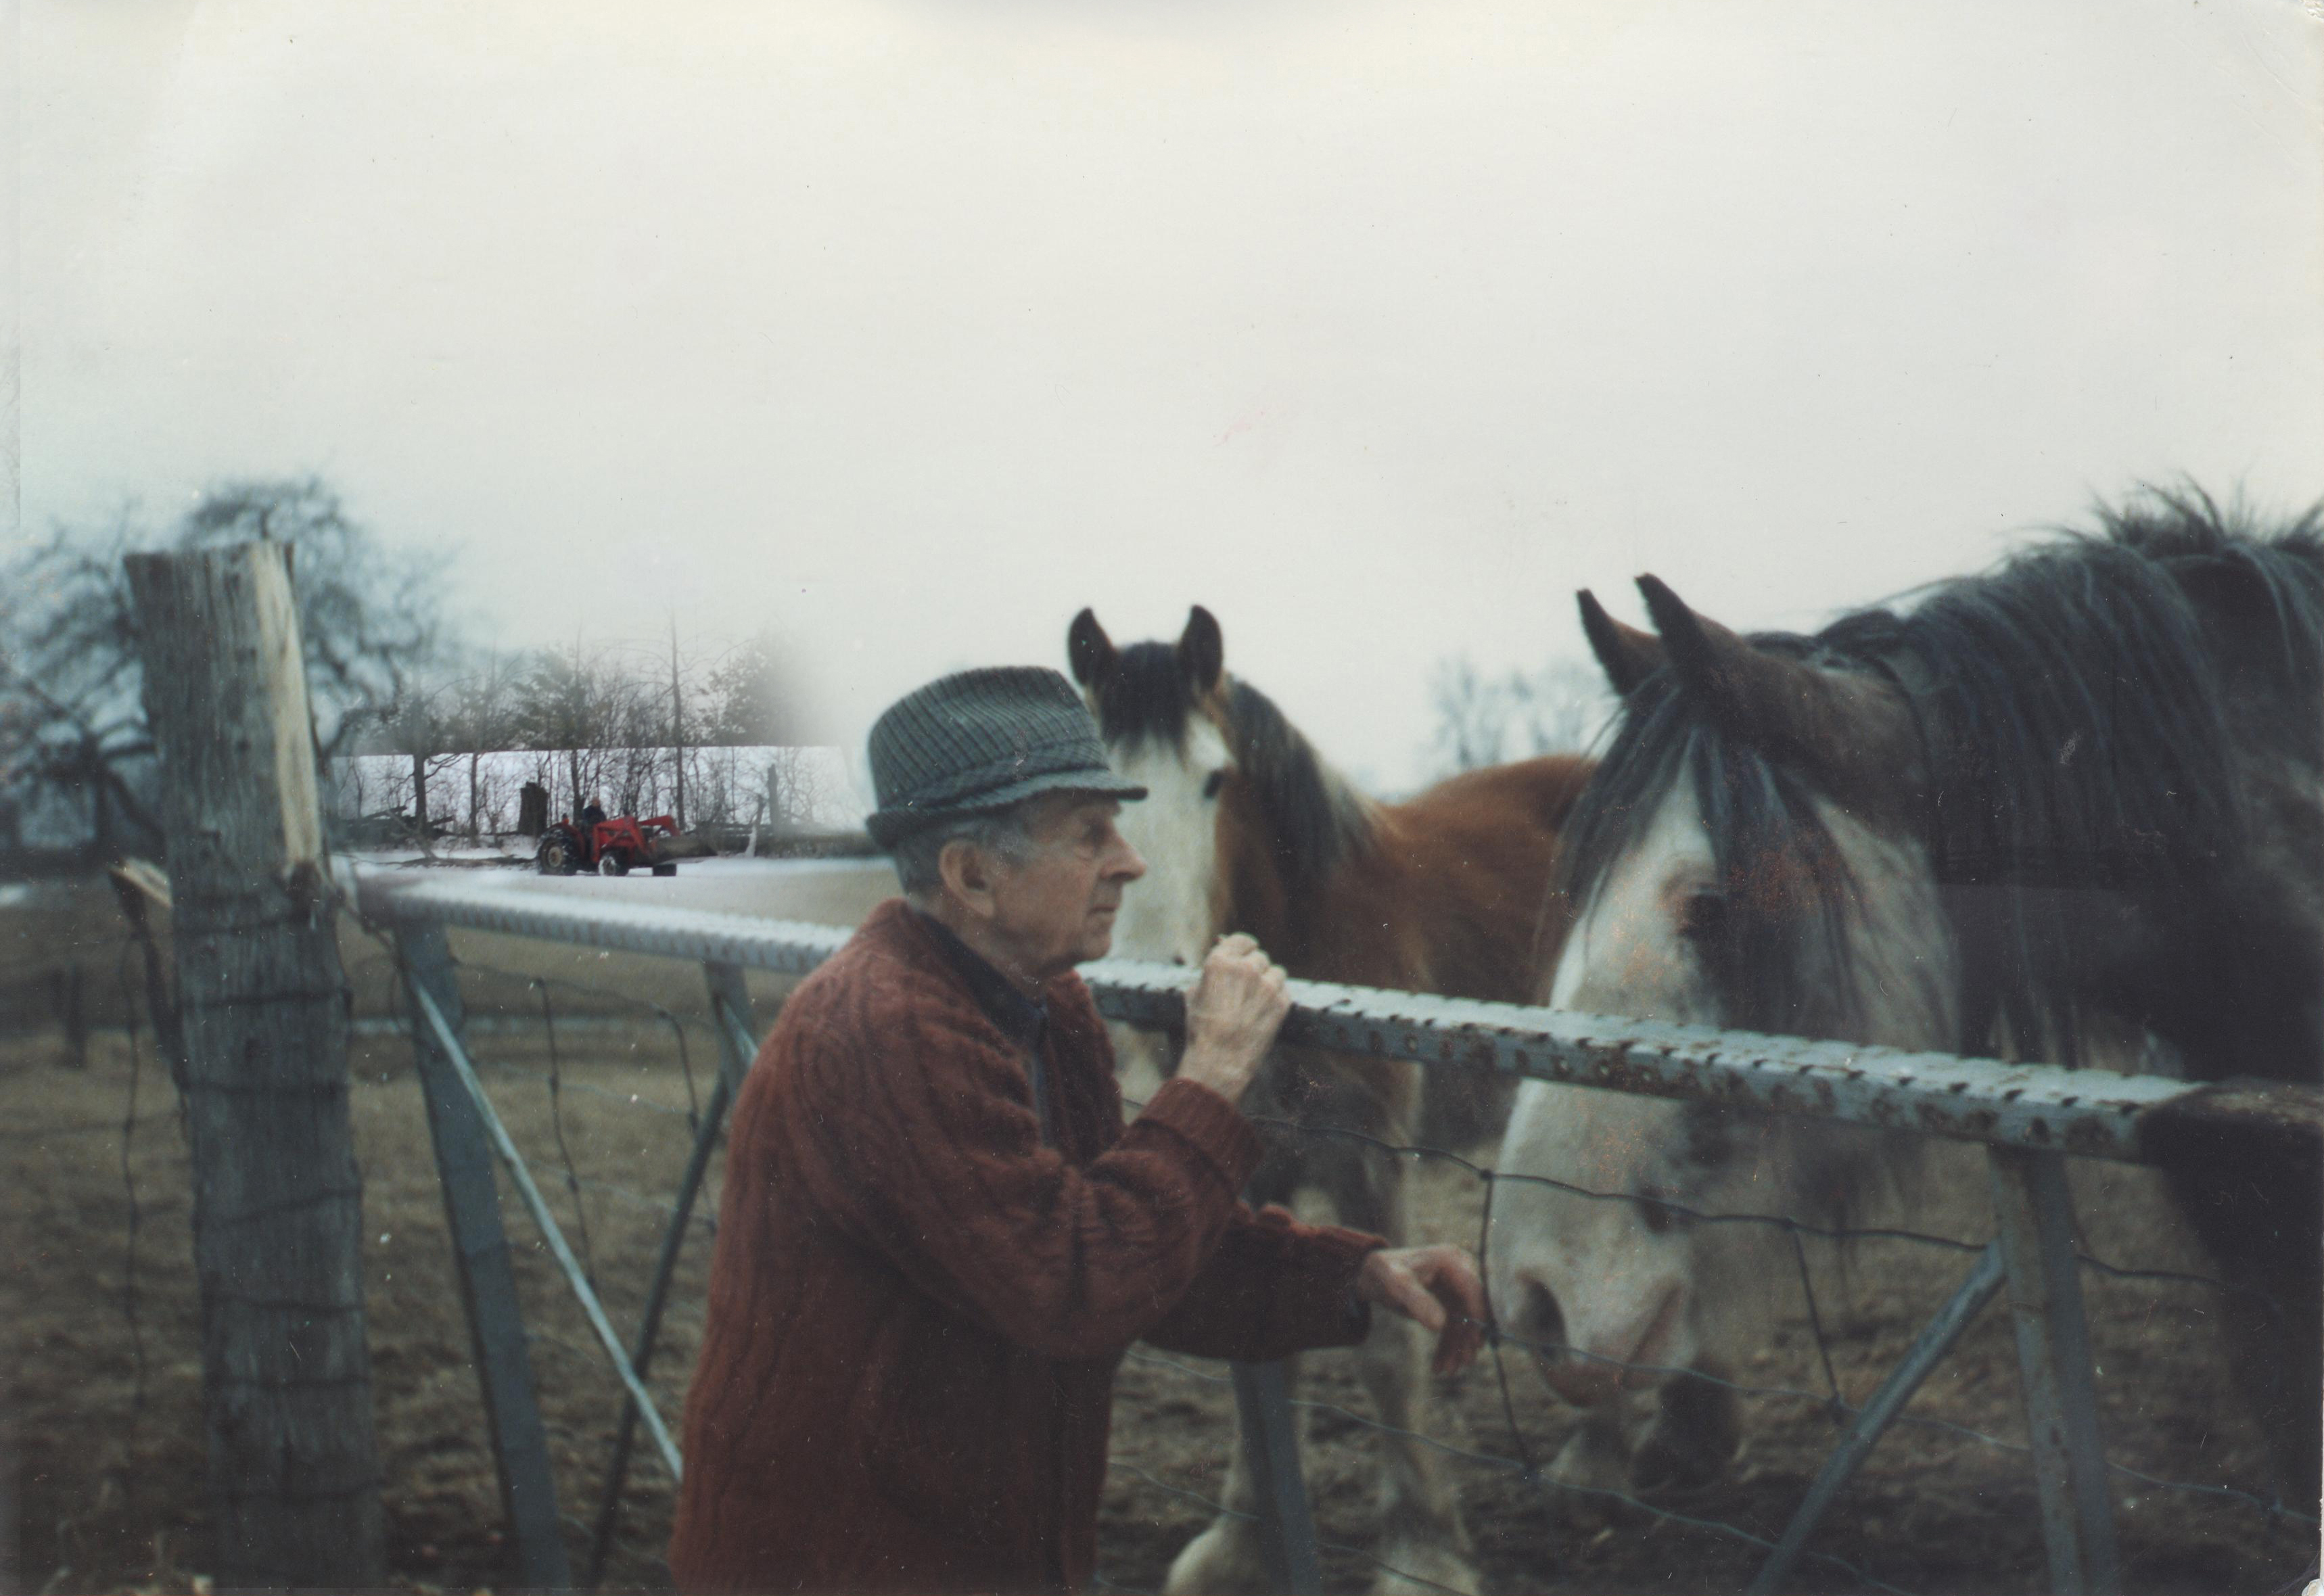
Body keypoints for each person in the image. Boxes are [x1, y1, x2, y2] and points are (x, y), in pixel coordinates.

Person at [668, 665, 1487, 1595]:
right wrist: (1210, 1079)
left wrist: (1353, 1272)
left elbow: (1142, 1245)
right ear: (972, 876)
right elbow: (1077, 1286)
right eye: (1090, 834)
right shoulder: (887, 1029)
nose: (1130, 863)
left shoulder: (1044, 1005)